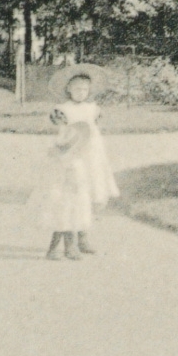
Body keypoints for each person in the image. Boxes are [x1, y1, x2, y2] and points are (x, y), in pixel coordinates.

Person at [53, 65, 120, 252]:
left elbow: (95, 128)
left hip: (92, 155)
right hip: (74, 155)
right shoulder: (63, 109)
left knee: (90, 193)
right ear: (68, 89)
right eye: (77, 89)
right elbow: (62, 133)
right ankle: (70, 240)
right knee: (73, 194)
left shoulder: (93, 108)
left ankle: (83, 237)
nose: (81, 92)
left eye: (84, 89)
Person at [30, 116, 96, 260]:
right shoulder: (69, 161)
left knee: (69, 222)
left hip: (72, 195)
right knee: (63, 222)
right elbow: (70, 178)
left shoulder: (73, 159)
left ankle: (68, 249)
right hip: (66, 195)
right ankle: (57, 250)